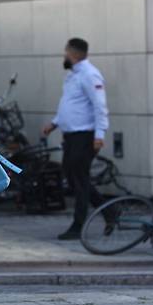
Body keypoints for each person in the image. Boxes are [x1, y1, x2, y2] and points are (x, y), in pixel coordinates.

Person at [42, 38, 112, 241]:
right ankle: (110, 212)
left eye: (66, 53)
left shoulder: (90, 75)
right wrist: (55, 123)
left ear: (74, 54)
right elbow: (70, 105)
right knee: (74, 178)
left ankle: (79, 225)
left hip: (86, 136)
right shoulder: (73, 75)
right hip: (72, 137)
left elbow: (100, 107)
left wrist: (99, 135)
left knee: (79, 180)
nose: (64, 56)